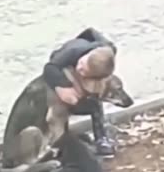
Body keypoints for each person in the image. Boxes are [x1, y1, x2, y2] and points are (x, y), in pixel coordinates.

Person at [42, 27, 118, 156]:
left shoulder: (108, 49)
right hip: (60, 67)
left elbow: (92, 31)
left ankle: (101, 138)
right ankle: (61, 143)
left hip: (92, 66)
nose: (80, 68)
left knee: (95, 103)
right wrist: (62, 87)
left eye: (84, 71)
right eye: (82, 65)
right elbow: (50, 68)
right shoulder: (73, 52)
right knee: (60, 110)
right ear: (87, 56)